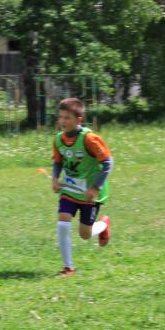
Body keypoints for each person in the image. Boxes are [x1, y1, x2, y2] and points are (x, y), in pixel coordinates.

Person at [51, 97, 113, 277]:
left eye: (67, 118)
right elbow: (58, 161)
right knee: (62, 223)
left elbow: (108, 163)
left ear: (79, 119)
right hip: (69, 189)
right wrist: (55, 178)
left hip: (89, 194)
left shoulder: (90, 139)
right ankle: (68, 267)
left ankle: (103, 225)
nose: (62, 121)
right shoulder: (58, 139)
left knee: (85, 234)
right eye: (61, 117)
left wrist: (95, 188)